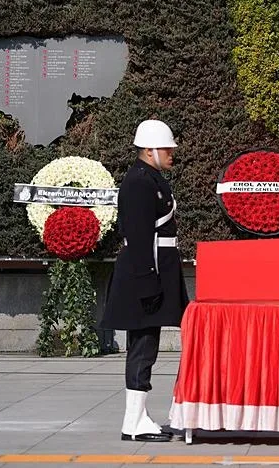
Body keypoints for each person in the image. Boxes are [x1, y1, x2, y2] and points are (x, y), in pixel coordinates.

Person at [100, 119, 190, 442]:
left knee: (146, 346)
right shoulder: (139, 182)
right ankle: (133, 421)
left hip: (154, 272)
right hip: (145, 275)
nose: (172, 153)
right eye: (167, 148)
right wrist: (149, 284)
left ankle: (139, 416)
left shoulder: (149, 177)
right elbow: (139, 239)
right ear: (150, 150)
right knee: (142, 348)